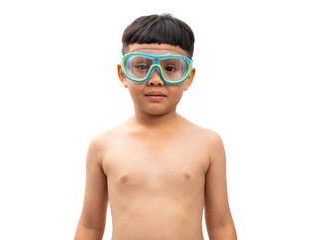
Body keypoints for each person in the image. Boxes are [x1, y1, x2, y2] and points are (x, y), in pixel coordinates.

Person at [74, 13, 237, 240]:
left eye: (171, 68)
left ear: (188, 78)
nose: (156, 79)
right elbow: (90, 226)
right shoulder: (103, 145)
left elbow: (220, 224)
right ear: (123, 73)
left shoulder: (208, 143)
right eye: (142, 66)